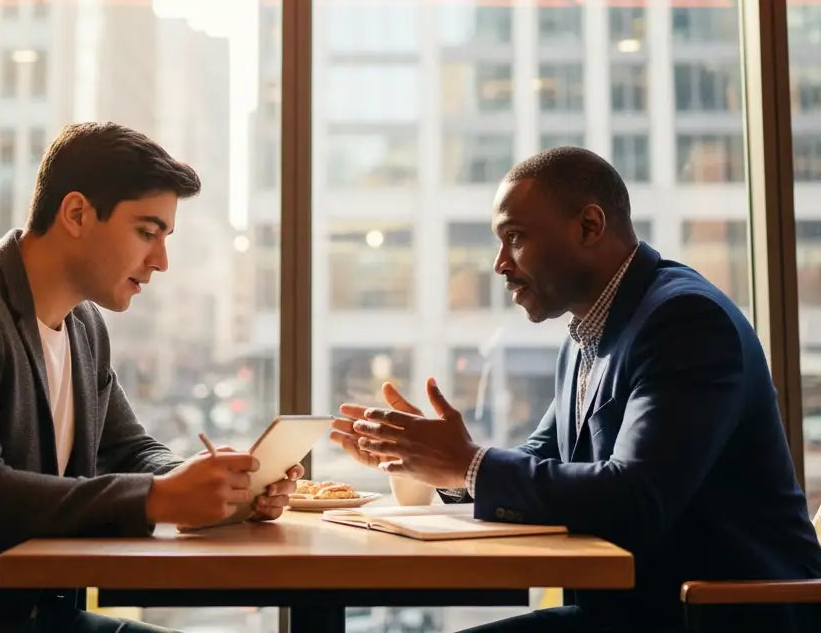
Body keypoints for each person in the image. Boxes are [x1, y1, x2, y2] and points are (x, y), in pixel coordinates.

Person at [0, 122, 301, 633]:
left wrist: (216, 483)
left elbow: (130, 448)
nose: (161, 261)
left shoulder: (83, 325)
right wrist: (161, 497)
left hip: (31, 617)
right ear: (76, 214)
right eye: (147, 232)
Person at [332, 146, 821, 633]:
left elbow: (636, 498)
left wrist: (466, 462)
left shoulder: (685, 321)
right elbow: (544, 461)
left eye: (515, 237)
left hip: (719, 617)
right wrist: (434, 461)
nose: (500, 264)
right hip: (637, 611)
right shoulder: (588, 334)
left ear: (590, 226)